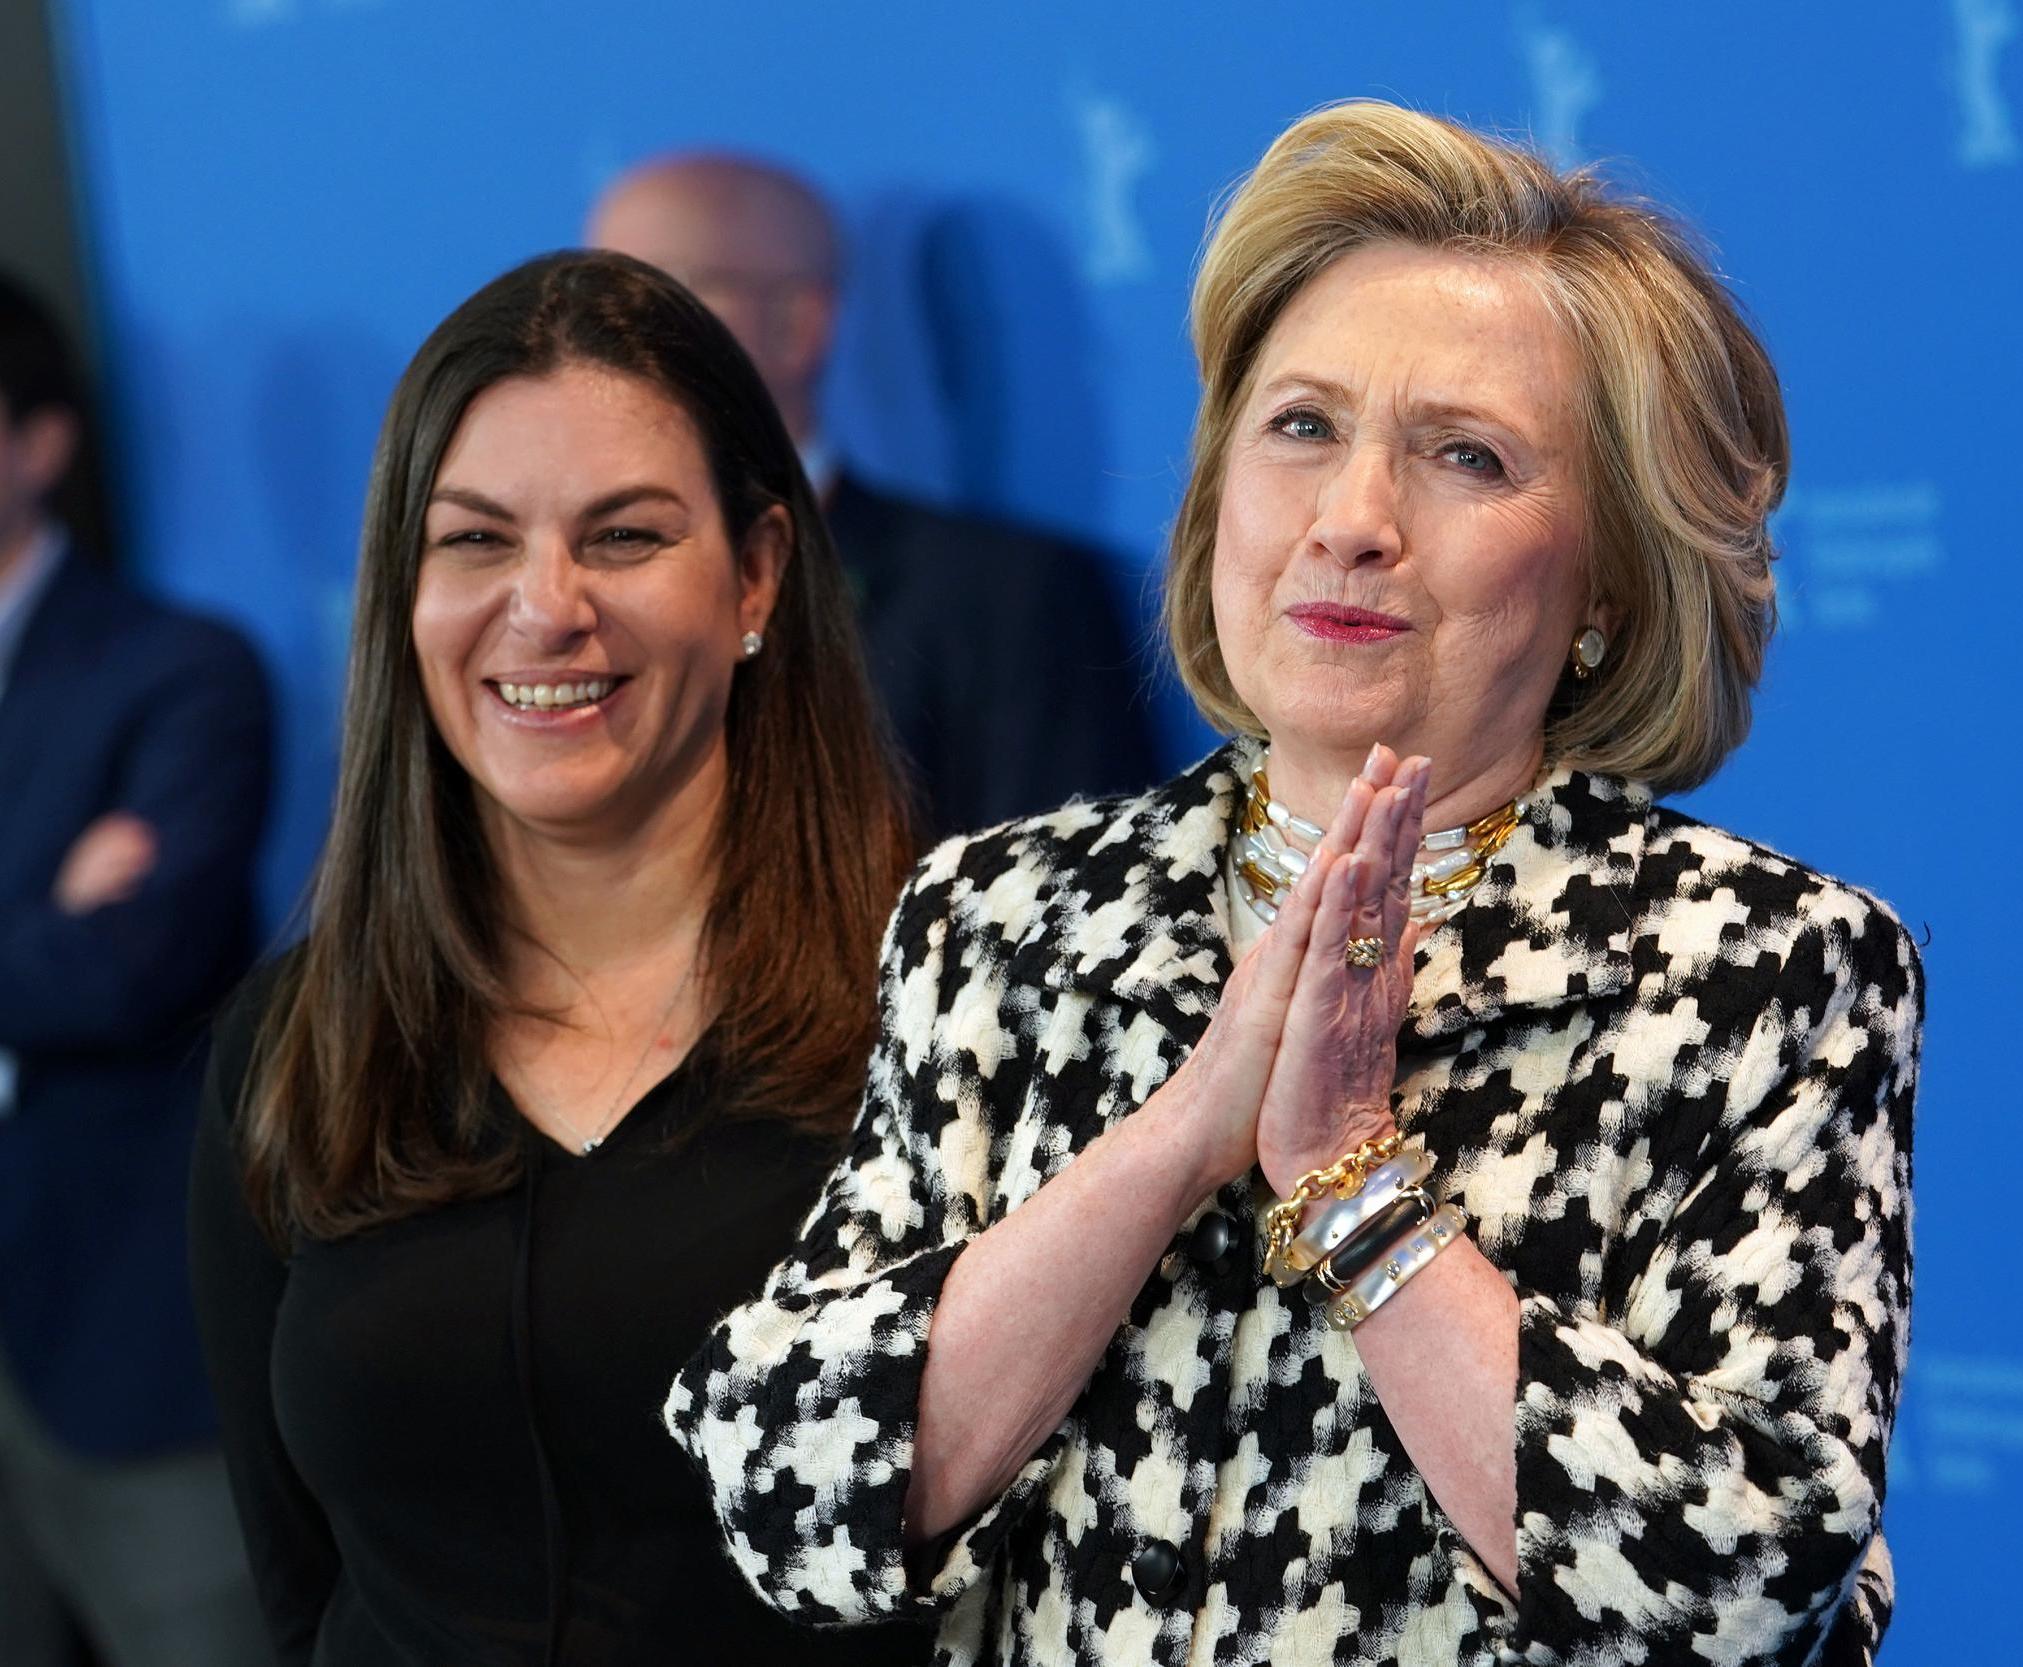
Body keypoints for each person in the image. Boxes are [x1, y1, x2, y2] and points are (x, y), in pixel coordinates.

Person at [667, 103, 1919, 1666]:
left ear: (1607, 575)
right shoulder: (997, 918)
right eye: (1301, 426)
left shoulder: (1760, 969)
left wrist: (1346, 1179)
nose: (1351, 521)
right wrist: (1182, 1135)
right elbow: (785, 1493)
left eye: (1465, 455)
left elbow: (1740, 1588)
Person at [188, 252, 924, 1665]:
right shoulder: (298, 1047)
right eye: (473, 541)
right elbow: (296, 1589)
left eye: (625, 536)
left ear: (757, 573)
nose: (544, 606)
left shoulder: (946, 1009)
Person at [587, 153, 1160, 839]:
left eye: (653, 298)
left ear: (795, 326)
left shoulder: (1009, 600)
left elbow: (1075, 909)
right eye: (588, 302)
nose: (598, 343)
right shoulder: (548, 601)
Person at [0, 270, 274, 1666]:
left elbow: (127, 965)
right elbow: (52, 959)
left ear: (37, 442)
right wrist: (32, 914)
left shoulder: (177, 671)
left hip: (122, 1341)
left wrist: (72, 929)